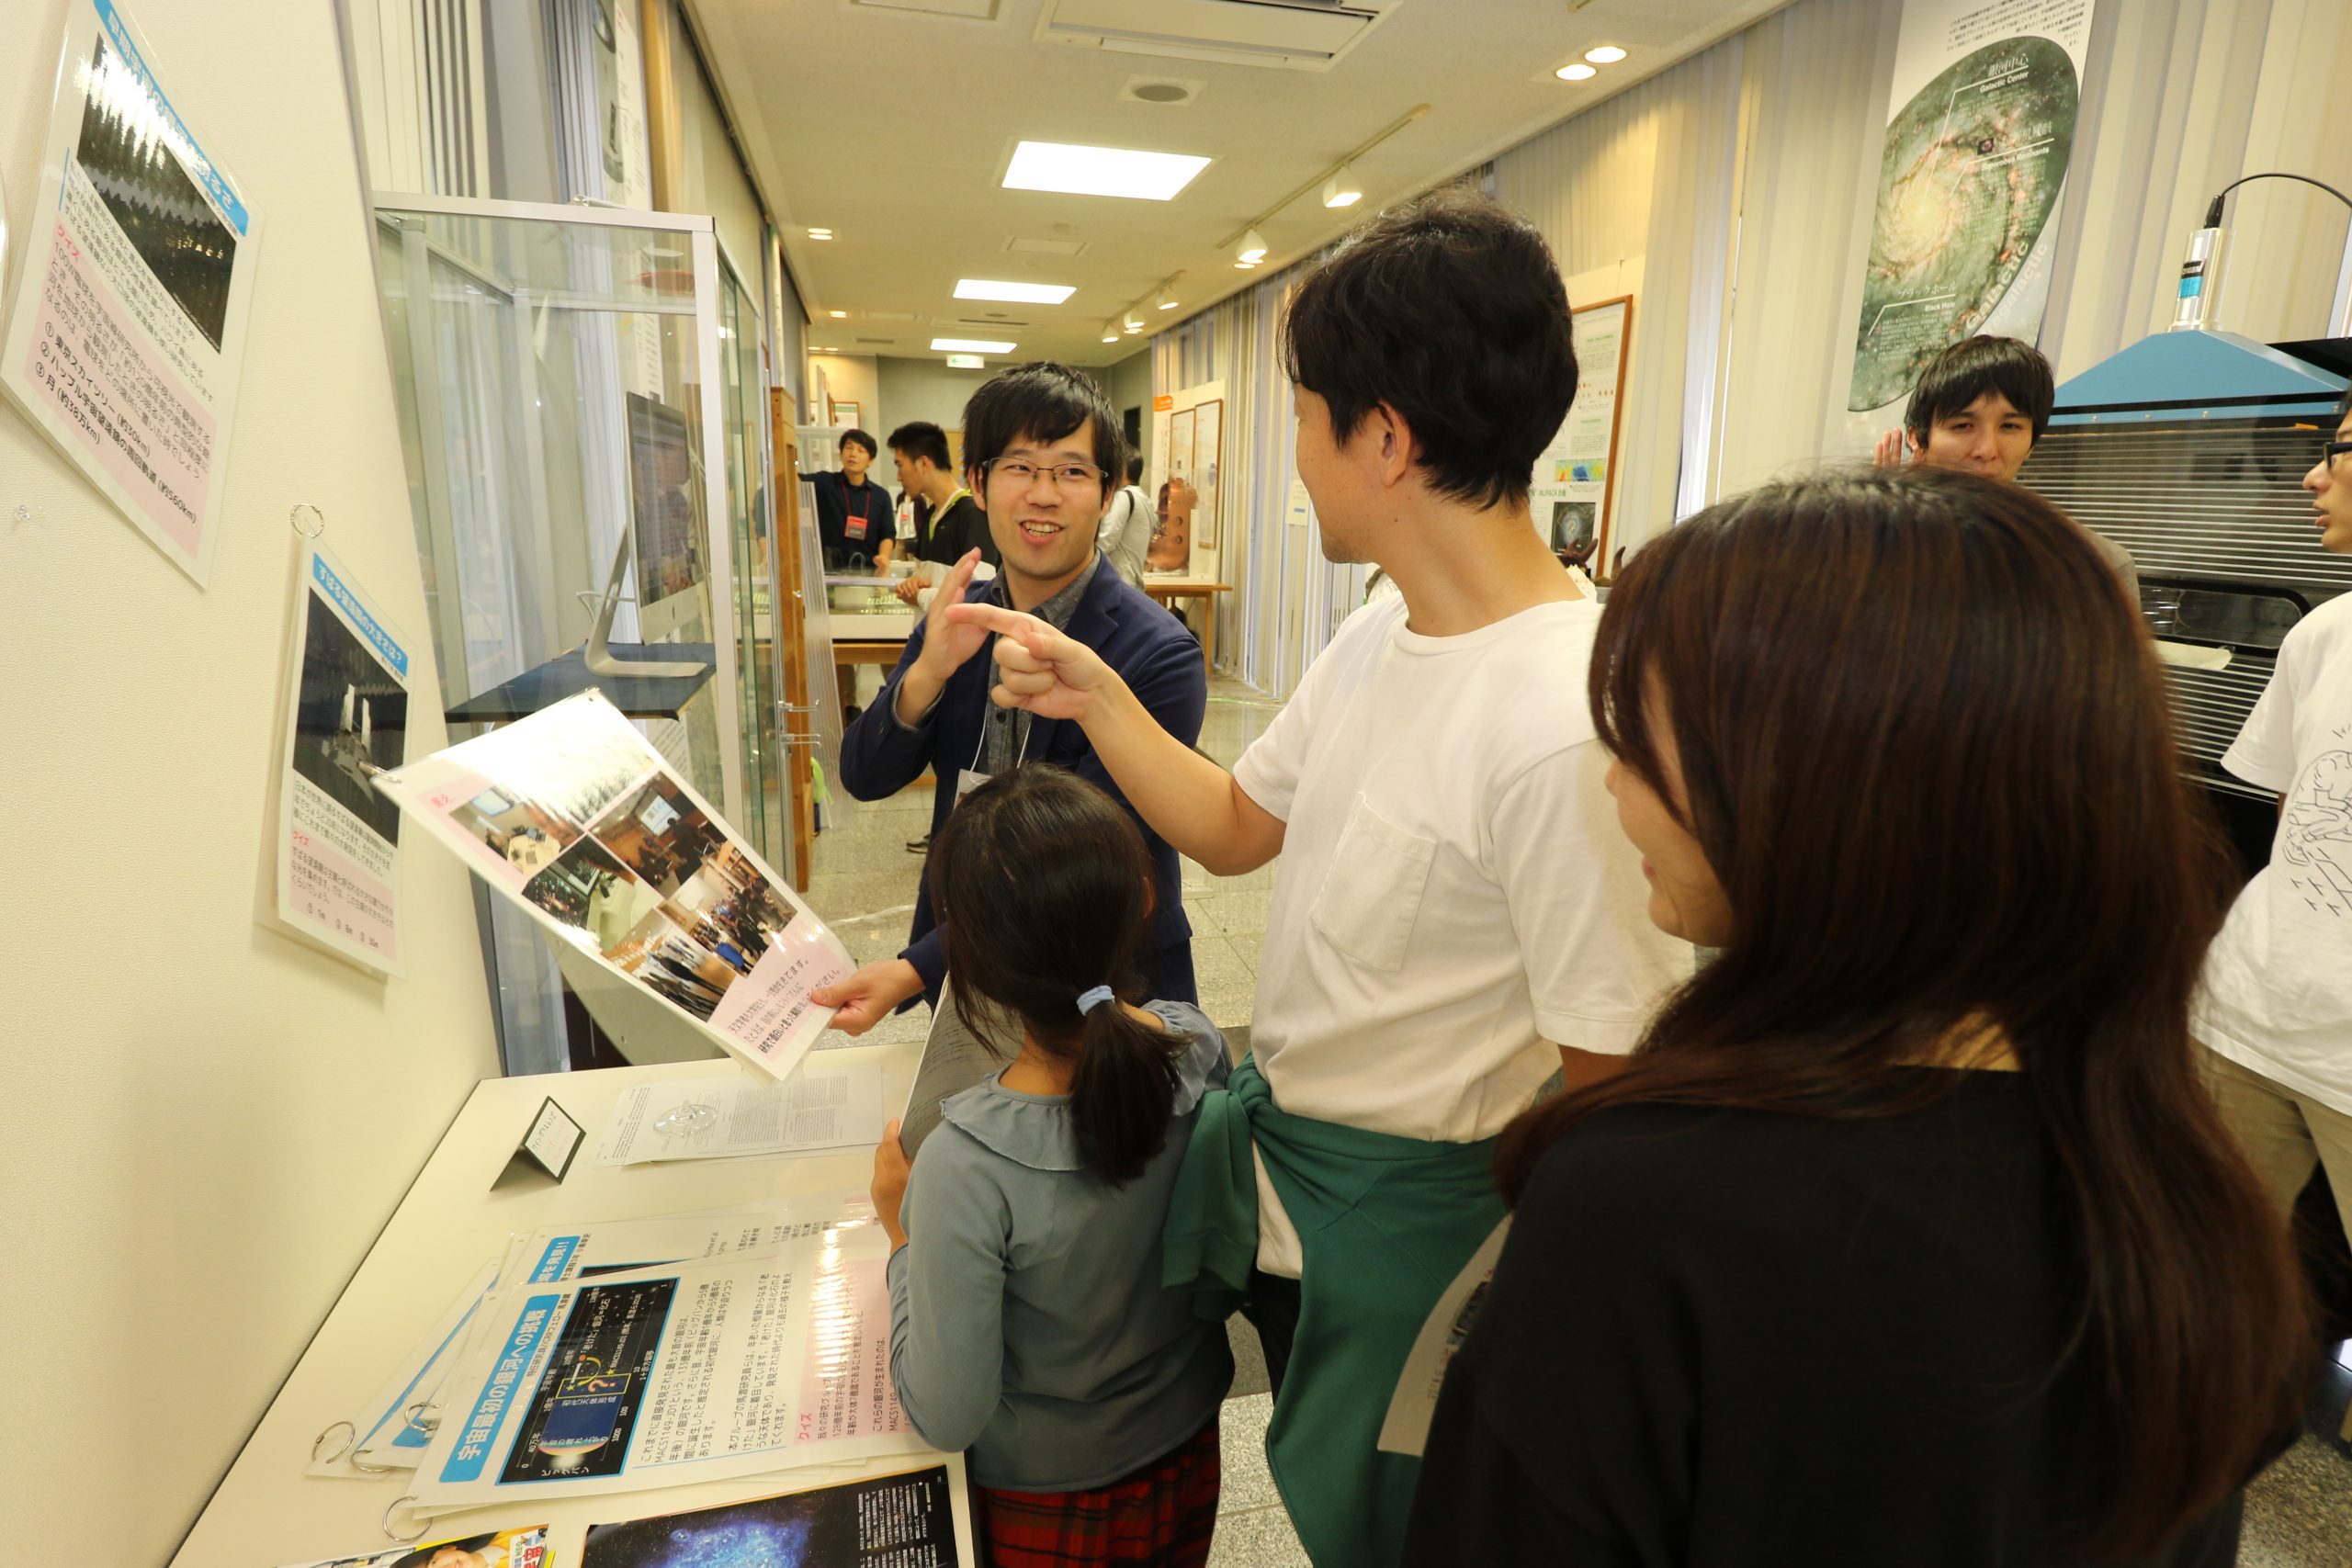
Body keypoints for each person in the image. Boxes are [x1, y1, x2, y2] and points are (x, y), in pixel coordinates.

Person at [947, 190, 1691, 1567]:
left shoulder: (1558, 717)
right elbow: (1237, 822)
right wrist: (1102, 694)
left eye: (1302, 415)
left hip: (1427, 1238)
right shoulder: (1380, 631)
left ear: (1386, 438)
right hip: (1301, 1194)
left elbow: (1616, 1085)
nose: (1293, 458)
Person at [1401, 468, 2309, 1567]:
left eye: (1640, 743)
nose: (1613, 788)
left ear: (1820, 781)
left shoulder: (1650, 1205)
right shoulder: (2179, 1187)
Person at [871, 764, 1232, 1568]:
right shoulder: (1198, 1047)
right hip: (1186, 1452)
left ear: (977, 961)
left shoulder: (964, 1164)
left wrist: (901, 1237)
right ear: (1145, 899)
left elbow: (948, 1410)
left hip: (1046, 1502)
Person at [817, 363, 1208, 1031]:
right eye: (1020, 468)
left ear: (1110, 491)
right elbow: (863, 774)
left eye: (1073, 472)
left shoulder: (1159, 653)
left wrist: (917, 967)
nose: (1044, 494)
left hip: (1108, 989)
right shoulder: (958, 615)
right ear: (978, 483)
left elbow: (1083, 862)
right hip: (969, 974)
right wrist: (925, 677)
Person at [2196, 388, 2352, 1278]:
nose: (2310, 474)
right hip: (2244, 1022)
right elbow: (2295, 827)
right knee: (2200, 1285)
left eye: (2336, 450)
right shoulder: (2322, 635)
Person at [1874, 333, 2142, 601]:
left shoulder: (2093, 565)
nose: (1987, 450)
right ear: (1918, 440)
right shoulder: (1876, 545)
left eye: (2010, 427)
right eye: (1963, 426)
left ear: (2031, 444)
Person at [890, 420, 999, 605]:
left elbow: (979, 594)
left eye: (900, 465)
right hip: (927, 632)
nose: (898, 476)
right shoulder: (931, 515)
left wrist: (920, 596)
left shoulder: (974, 515)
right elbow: (925, 575)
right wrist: (913, 583)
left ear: (923, 463)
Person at [809, 427, 894, 571]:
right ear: (841, 453)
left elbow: (888, 533)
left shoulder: (881, 496)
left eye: (861, 450)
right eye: (849, 448)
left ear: (870, 461)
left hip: (869, 572)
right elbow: (794, 481)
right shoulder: (824, 483)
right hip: (830, 573)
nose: (853, 454)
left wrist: (884, 557)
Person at [1097, 453, 1153, 590]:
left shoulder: (1124, 497)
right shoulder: (1144, 499)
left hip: (1121, 582)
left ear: (1122, 469)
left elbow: (1106, 540)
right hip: (1133, 581)